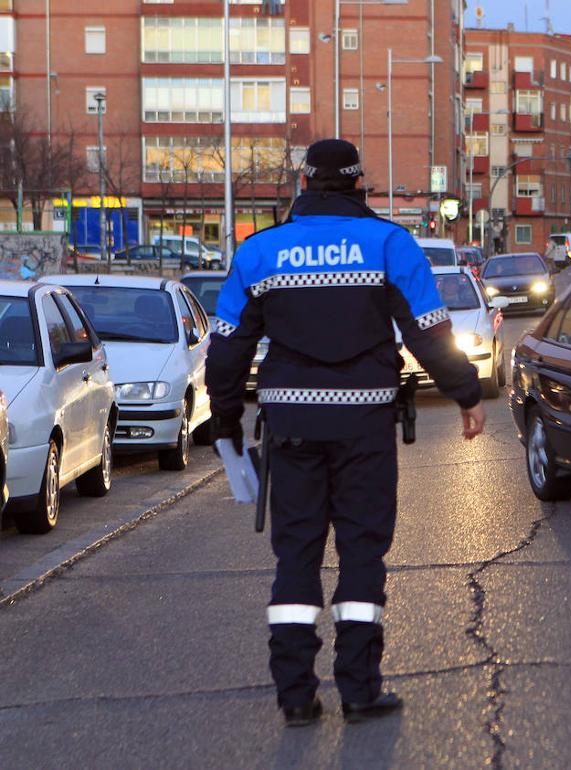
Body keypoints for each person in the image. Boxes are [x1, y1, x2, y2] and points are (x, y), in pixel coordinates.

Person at [205, 138, 486, 728]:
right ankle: (359, 689)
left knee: (297, 554)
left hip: (291, 428)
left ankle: (295, 695)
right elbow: (429, 332)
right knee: (362, 552)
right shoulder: (389, 243)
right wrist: (464, 393)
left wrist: (226, 423)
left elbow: (226, 350)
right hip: (363, 425)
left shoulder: (259, 252)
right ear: (361, 187)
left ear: (303, 185)